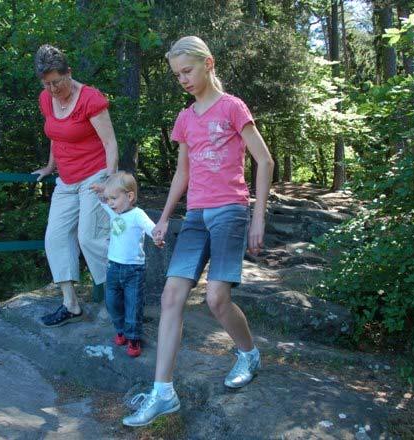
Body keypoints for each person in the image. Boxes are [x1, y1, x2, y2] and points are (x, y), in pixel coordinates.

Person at [122, 36, 274, 427]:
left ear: (209, 63)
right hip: (195, 216)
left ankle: (248, 353)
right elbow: (183, 172)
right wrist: (165, 216)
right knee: (172, 295)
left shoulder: (232, 107)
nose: (183, 80)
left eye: (187, 71)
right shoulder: (185, 118)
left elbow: (264, 159)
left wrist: (258, 218)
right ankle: (163, 392)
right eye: (176, 75)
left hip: (230, 211)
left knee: (217, 300)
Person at [31, 44, 118, 327]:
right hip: (66, 178)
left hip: (95, 175)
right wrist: (49, 166)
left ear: (69, 73)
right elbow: (56, 135)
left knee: (90, 238)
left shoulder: (90, 99)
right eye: (47, 84)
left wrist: (110, 181)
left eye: (57, 81)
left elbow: (110, 142)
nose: (53, 89)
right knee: (55, 237)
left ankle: (121, 295)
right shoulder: (46, 99)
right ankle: (70, 305)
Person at [91, 171, 157, 357]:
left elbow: (151, 228)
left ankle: (133, 339)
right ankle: (120, 330)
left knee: (133, 304)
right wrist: (101, 191)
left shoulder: (137, 214)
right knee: (112, 302)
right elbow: (103, 201)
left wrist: (158, 237)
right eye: (108, 199)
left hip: (133, 269)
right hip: (113, 267)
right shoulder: (113, 211)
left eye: (114, 198)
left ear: (129, 196)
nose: (110, 202)